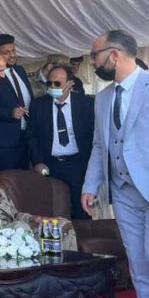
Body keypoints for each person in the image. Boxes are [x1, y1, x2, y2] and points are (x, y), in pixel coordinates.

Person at [82, 30, 149, 298]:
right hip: (123, 193)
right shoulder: (103, 98)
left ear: (114, 54)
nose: (93, 62)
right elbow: (99, 145)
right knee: (139, 264)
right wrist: (91, 185)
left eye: (95, 55)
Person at [28, 65, 94, 219]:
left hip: (78, 164)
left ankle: (81, 234)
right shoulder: (38, 105)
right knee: (52, 208)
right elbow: (32, 136)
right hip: (50, 165)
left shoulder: (85, 104)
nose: (52, 87)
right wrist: (38, 161)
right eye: (49, 83)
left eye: (57, 84)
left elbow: (93, 136)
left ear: (70, 83)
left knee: (81, 209)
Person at [0, 34, 33, 175]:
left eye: (13, 51)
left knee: (22, 180)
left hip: (25, 137)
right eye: (6, 52)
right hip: (3, 142)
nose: (12, 55)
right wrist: (9, 113)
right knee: (3, 180)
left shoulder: (20, 70)